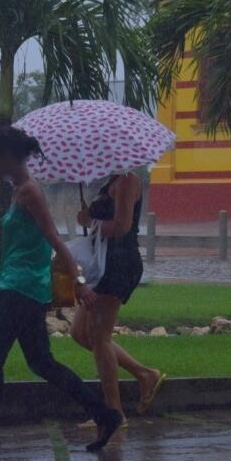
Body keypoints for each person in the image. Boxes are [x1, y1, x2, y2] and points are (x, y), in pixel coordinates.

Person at [0, 127, 122, 461]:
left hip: (20, 289)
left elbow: (54, 238)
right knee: (42, 362)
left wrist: (79, 281)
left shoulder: (30, 193)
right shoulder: (19, 192)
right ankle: (105, 414)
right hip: (20, 286)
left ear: (9, 156)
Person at [71, 172, 165, 428]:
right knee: (80, 332)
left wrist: (93, 222)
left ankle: (113, 413)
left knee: (99, 338)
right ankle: (144, 374)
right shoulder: (110, 180)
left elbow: (122, 226)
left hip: (117, 264)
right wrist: (88, 218)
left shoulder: (127, 180)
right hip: (101, 262)